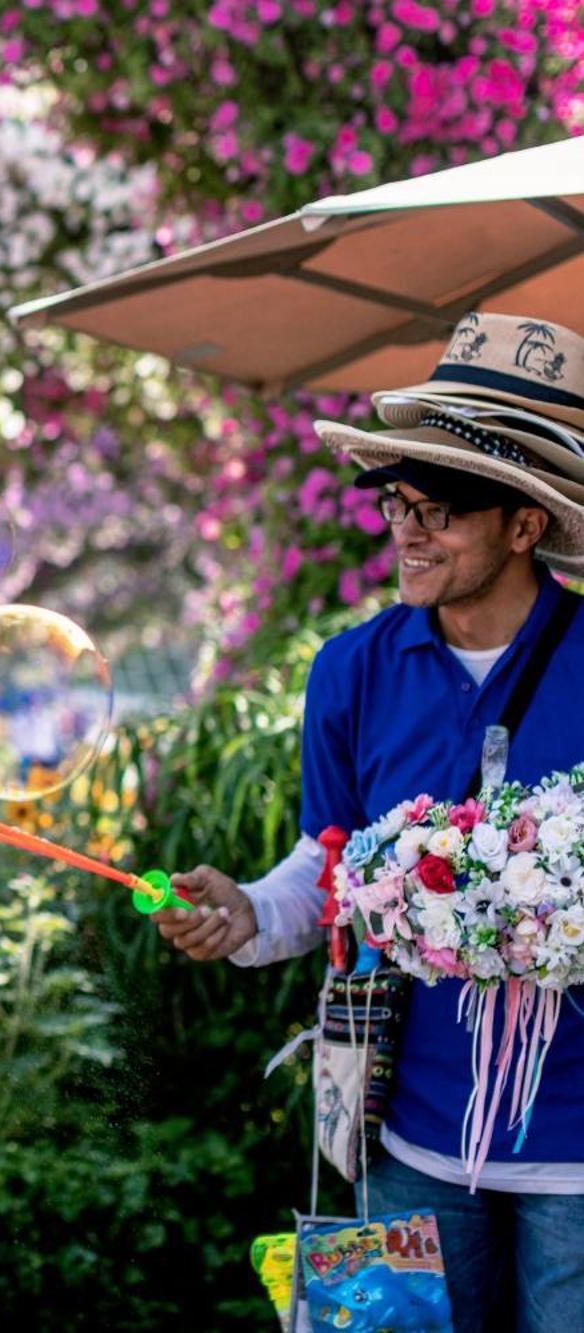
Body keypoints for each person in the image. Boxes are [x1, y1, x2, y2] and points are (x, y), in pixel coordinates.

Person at [155, 311, 584, 1332]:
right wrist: (246, 915)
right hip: (401, 1136)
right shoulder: (347, 668)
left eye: (437, 508)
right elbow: (328, 861)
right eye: (395, 502)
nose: (405, 529)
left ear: (523, 525)